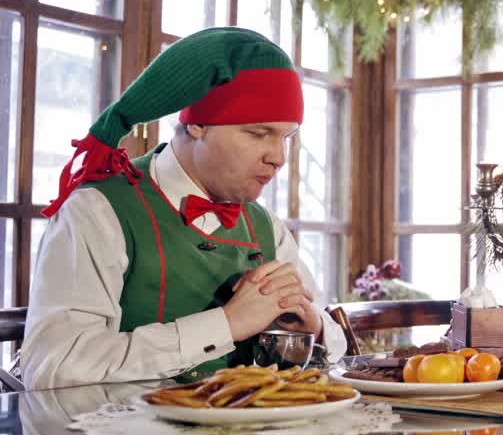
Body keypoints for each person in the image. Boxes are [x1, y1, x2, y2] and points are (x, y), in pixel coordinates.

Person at [23, 27, 346, 390]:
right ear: (197, 124)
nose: (278, 158)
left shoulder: (268, 228)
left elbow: (334, 347)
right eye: (258, 133)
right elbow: (54, 368)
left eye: (286, 137)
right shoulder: (98, 211)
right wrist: (226, 324)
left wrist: (309, 328)